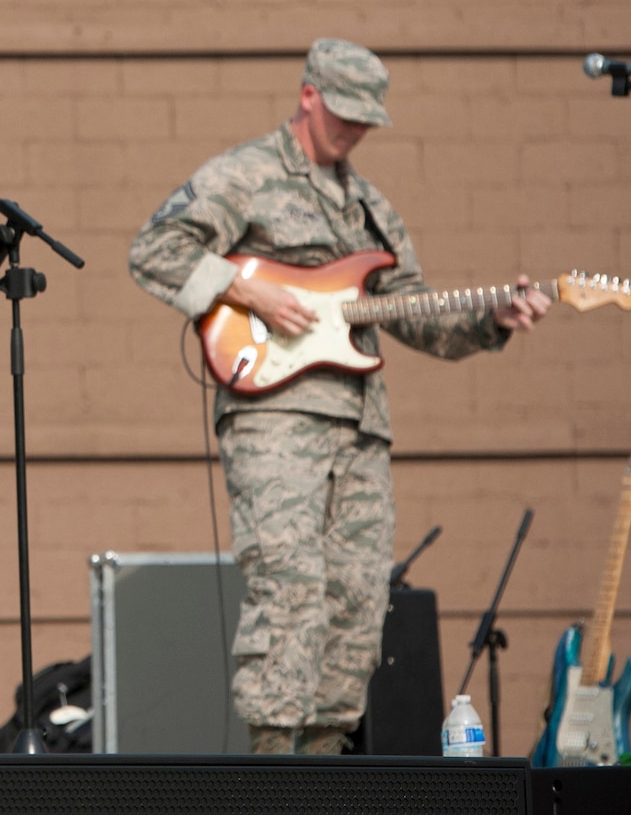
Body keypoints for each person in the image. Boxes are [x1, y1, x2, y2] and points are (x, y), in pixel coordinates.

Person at [128, 39, 548, 755]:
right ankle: (272, 766)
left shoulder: (371, 208)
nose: (352, 131)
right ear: (309, 95)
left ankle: (324, 765)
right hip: (275, 419)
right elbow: (154, 249)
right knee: (288, 587)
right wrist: (247, 287)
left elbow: (410, 311)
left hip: (361, 425)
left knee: (356, 600)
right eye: (344, 113)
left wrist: (489, 320)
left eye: (365, 120)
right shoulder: (247, 173)